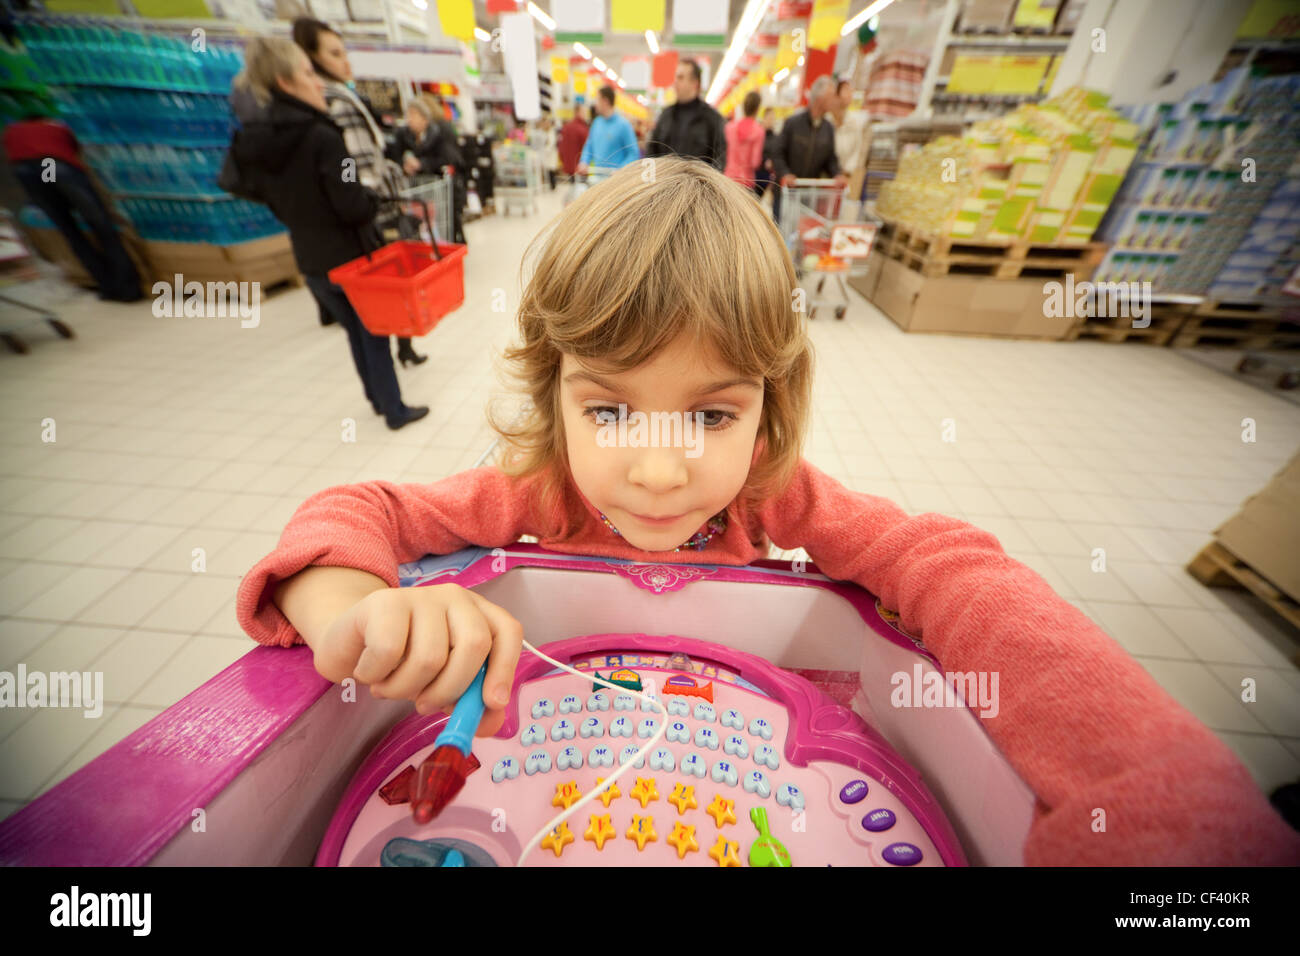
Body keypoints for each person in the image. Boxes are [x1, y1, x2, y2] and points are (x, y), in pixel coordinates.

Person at [236, 157, 1300, 867]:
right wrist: (360, 611)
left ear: (769, 407)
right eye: (608, 406)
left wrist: (1149, 788)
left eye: (709, 412)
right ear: (553, 390)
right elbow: (354, 504)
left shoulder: (770, 493)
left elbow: (942, 562)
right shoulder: (535, 492)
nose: (658, 471)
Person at [224, 37, 428, 431]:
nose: (318, 83)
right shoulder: (324, 138)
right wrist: (372, 198)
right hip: (351, 255)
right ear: (286, 82)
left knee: (353, 331)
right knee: (375, 330)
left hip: (310, 258)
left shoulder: (256, 140)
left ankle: (375, 399)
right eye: (307, 73)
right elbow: (350, 201)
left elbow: (248, 186)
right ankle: (394, 409)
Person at [292, 17, 426, 368]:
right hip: (372, 215)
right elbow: (354, 166)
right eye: (335, 53)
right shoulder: (337, 102)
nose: (344, 61)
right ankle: (397, 373)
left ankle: (404, 350)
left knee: (378, 307)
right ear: (312, 59)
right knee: (382, 305)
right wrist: (367, 195)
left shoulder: (323, 105)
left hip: (356, 218)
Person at [3, 110, 142, 302]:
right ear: (43, 118)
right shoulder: (55, 126)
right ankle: (128, 289)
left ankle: (106, 287)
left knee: (70, 231)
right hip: (50, 166)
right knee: (101, 226)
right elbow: (72, 150)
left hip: (26, 173)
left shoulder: (12, 131)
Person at [769, 75, 847, 230]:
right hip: (785, 193)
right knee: (780, 231)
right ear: (820, 97)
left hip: (808, 196)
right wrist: (785, 174)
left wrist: (837, 174)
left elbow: (830, 159)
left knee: (802, 234)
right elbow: (777, 152)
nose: (834, 100)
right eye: (832, 96)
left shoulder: (828, 129)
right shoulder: (793, 123)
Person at [386, 96, 466, 246]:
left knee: (443, 224)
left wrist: (421, 164)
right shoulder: (403, 135)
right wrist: (405, 166)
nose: (409, 119)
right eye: (408, 115)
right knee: (422, 227)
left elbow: (449, 159)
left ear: (425, 118)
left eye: (414, 115)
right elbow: (394, 158)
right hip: (417, 190)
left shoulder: (440, 132)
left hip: (439, 190)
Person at [645, 59, 726, 171]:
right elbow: (652, 151)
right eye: (676, 77)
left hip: (698, 186)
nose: (675, 82)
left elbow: (720, 159)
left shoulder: (712, 118)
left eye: (681, 77)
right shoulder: (665, 116)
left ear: (695, 84)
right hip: (666, 184)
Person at [576, 86, 639, 184]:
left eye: (597, 99)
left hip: (616, 183)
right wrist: (584, 162)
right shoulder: (596, 123)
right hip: (597, 181)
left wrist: (621, 169)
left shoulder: (623, 125)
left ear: (605, 101)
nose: (595, 104)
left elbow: (633, 153)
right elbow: (589, 146)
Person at [831, 78, 869, 194]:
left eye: (851, 91)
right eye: (846, 90)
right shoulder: (827, 121)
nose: (850, 94)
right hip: (824, 175)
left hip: (843, 176)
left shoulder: (854, 123)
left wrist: (847, 171)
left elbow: (857, 150)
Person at [723, 91, 765, 190]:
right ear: (757, 108)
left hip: (729, 178)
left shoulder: (730, 127)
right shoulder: (758, 131)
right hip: (746, 181)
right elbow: (755, 162)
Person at [557, 106, 590, 180]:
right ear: (578, 112)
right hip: (581, 168)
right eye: (584, 112)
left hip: (569, 167)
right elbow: (588, 148)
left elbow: (560, 147)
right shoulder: (583, 129)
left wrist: (563, 162)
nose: (585, 115)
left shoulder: (566, 127)